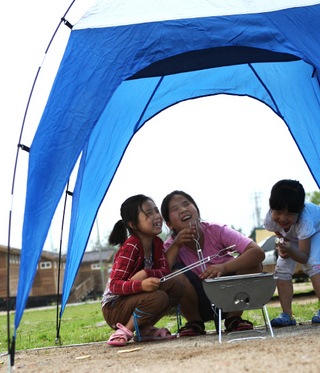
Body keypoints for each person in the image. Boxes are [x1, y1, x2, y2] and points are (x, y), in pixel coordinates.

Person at [161, 190, 265, 336]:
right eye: (175, 209)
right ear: (169, 224)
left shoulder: (216, 230)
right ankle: (194, 323)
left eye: (186, 204)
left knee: (253, 264)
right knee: (173, 275)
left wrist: (224, 267)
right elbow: (160, 274)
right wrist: (177, 245)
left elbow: (258, 253)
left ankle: (233, 318)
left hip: (230, 294)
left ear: (196, 209)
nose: (183, 209)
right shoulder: (170, 247)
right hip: (197, 301)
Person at [101, 194, 185, 346]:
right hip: (115, 308)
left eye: (156, 211)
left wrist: (147, 273)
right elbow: (115, 285)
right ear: (133, 224)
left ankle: (144, 329)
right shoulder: (131, 246)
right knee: (158, 297)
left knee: (176, 285)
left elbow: (165, 270)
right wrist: (141, 285)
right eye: (149, 214)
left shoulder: (157, 243)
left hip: (136, 300)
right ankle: (124, 331)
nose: (156, 217)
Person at [264, 179, 320, 326]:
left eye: (289, 214)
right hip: (295, 236)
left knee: (312, 265)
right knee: (281, 269)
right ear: (271, 207)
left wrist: (290, 249)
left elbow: (303, 257)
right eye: (278, 212)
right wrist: (282, 244)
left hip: (315, 233)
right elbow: (277, 231)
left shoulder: (305, 220)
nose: (282, 218)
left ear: (300, 209)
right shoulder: (270, 217)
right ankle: (287, 314)